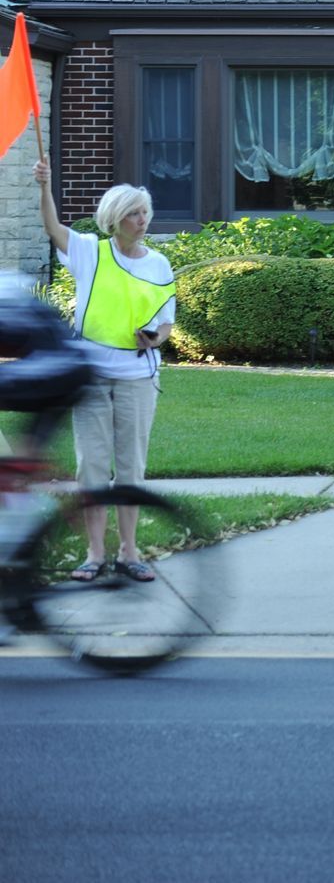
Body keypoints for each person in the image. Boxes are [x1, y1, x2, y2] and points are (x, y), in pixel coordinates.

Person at [31, 160, 176, 582]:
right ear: (114, 219)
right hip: (92, 376)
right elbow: (53, 228)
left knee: (130, 468)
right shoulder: (90, 252)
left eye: (145, 212)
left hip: (138, 376)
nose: (142, 220)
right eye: (133, 213)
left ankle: (131, 552)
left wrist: (156, 338)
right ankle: (94, 554)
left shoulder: (159, 265)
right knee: (91, 467)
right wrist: (45, 185)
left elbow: (166, 322)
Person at [0, 275, 95, 564]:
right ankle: (19, 535)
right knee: (21, 462)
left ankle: (14, 533)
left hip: (57, 369)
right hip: (71, 369)